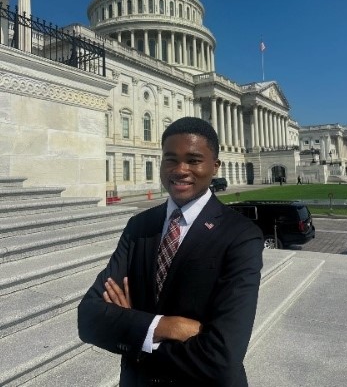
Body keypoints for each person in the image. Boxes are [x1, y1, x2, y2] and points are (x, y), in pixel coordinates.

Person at [78, 117, 264, 387]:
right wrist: (169, 326)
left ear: (215, 166)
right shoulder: (139, 226)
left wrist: (133, 327)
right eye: (170, 159)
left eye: (193, 159)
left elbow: (222, 355)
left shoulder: (241, 235)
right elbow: (89, 318)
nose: (180, 169)